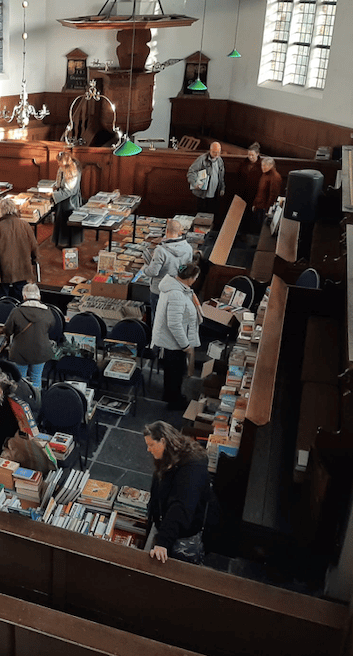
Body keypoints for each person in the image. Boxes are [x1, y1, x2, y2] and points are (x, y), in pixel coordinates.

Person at [143, 421, 214, 564]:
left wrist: (163, 542)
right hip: (165, 525)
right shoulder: (166, 457)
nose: (148, 449)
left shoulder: (192, 467)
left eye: (151, 445)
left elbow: (181, 506)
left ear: (163, 441)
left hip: (183, 534)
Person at [151, 259, 202, 410]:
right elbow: (174, 324)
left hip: (170, 340)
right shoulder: (176, 295)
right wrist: (185, 345)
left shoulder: (174, 287)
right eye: (195, 278)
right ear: (190, 278)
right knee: (175, 372)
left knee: (171, 370)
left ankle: (169, 394)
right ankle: (174, 401)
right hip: (174, 342)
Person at [0, 197, 38, 301]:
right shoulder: (25, 225)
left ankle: (3, 312)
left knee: (3, 297)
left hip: (3, 268)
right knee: (20, 293)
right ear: (14, 209)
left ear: (1, 211)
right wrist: (35, 260)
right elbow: (34, 246)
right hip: (22, 267)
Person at [142, 218, 194, 326]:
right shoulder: (188, 248)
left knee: (158, 320)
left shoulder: (160, 250)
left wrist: (145, 267)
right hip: (178, 289)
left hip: (159, 290)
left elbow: (153, 272)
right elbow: (187, 269)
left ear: (166, 231)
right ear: (180, 231)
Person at [3, 283, 53, 390]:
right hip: (41, 351)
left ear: (24, 296)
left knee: (20, 379)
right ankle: (36, 402)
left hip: (20, 351)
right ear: (39, 297)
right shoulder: (48, 312)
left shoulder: (16, 312)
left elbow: (7, 330)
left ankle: (21, 402)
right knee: (36, 378)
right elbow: (52, 329)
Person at [52, 152, 83, 248]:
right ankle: (62, 242)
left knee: (67, 221)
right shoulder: (63, 168)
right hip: (63, 199)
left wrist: (52, 194)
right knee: (61, 221)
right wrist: (55, 187)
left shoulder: (72, 171)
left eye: (59, 162)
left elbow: (68, 191)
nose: (58, 164)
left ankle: (69, 244)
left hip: (69, 201)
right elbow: (59, 182)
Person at [187, 142, 225, 215]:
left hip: (214, 194)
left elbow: (221, 177)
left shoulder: (220, 161)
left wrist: (222, 188)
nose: (216, 154)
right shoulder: (202, 159)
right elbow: (191, 171)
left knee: (211, 215)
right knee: (201, 215)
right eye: (214, 152)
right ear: (210, 150)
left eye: (218, 152)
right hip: (202, 194)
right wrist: (195, 182)